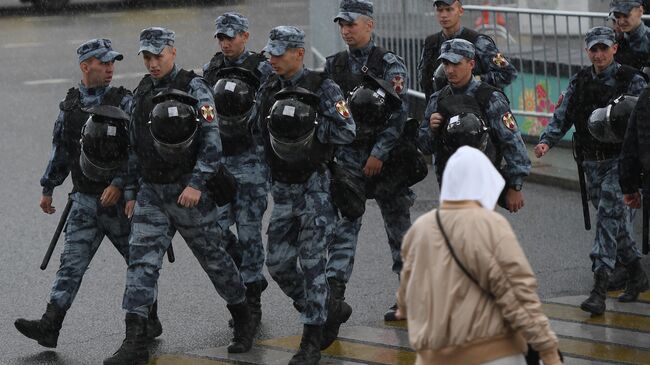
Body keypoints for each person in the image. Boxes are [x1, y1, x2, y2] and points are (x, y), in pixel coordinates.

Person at [103, 27, 253, 365]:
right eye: (147, 56)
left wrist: (197, 183)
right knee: (141, 264)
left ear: (172, 51)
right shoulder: (142, 91)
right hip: (152, 194)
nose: (152, 63)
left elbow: (213, 144)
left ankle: (243, 316)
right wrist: (130, 190)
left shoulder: (194, 87)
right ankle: (135, 339)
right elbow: (133, 147)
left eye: (157, 55)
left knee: (214, 259)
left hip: (189, 192)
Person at [14, 39, 141, 349]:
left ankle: (146, 320)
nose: (111, 68)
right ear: (86, 67)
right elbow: (61, 148)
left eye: (113, 63)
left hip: (118, 203)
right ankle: (50, 325)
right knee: (71, 264)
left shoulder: (124, 102)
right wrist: (48, 187)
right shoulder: (71, 104)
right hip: (84, 200)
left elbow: (138, 150)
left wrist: (121, 185)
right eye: (104, 63)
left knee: (140, 263)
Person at [397, 146, 563, 365]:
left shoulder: (420, 229)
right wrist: (549, 351)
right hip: (491, 354)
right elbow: (518, 295)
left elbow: (406, 298)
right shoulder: (491, 225)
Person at [254, 25, 356, 364]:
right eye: (270, 52)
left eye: (279, 53)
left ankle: (311, 340)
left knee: (312, 262)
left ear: (299, 53)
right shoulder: (268, 86)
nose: (272, 58)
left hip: (315, 187)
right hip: (283, 188)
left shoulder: (322, 86)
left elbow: (347, 129)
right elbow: (259, 132)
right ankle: (325, 308)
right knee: (279, 263)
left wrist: (310, 128)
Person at [534, 26, 648, 315]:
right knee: (615, 223)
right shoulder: (580, 81)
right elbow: (563, 115)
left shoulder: (631, 80)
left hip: (620, 163)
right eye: (593, 49)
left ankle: (599, 286)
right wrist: (547, 141)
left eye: (603, 48)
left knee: (608, 217)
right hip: (591, 164)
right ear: (587, 51)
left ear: (614, 49)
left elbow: (642, 122)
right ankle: (637, 272)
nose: (598, 54)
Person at [324, 0, 415, 325]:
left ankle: (409, 298)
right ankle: (333, 298)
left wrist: (379, 152)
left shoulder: (388, 63)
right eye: (342, 25)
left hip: (387, 159)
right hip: (348, 157)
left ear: (369, 25)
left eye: (352, 24)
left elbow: (398, 113)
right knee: (344, 229)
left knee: (399, 231)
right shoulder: (334, 65)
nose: (346, 30)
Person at [202, 11, 274, 333]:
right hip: (222, 163)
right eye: (221, 37)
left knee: (248, 232)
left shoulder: (262, 68)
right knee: (213, 231)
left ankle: (251, 301)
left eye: (231, 36)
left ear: (245, 36)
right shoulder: (212, 68)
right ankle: (250, 282)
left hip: (253, 161)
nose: (226, 42)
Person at [417, 38, 530, 213]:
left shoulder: (490, 98)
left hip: (482, 183)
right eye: (446, 64)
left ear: (471, 64)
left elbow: (512, 141)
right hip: (449, 183)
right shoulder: (438, 99)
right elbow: (425, 146)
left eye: (456, 63)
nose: (450, 70)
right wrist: (432, 129)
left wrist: (515, 186)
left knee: (477, 236)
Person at [418, 0, 517, 99]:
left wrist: (473, 80)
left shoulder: (479, 42)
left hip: (474, 107)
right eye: (440, 10)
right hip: (440, 109)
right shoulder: (431, 43)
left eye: (449, 9)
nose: (444, 15)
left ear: (460, 11)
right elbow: (424, 80)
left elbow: (508, 73)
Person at [610, 0, 650, 70]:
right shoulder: (613, 40)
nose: (621, 22)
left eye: (626, 16)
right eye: (617, 16)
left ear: (640, 11)